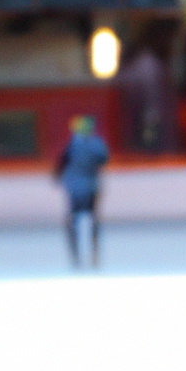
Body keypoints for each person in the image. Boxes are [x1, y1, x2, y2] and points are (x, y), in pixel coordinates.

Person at [56, 115, 109, 268]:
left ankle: (77, 256)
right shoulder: (96, 143)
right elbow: (103, 159)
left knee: (73, 221)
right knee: (93, 219)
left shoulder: (73, 144)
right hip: (91, 186)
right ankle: (94, 254)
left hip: (76, 188)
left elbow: (62, 162)